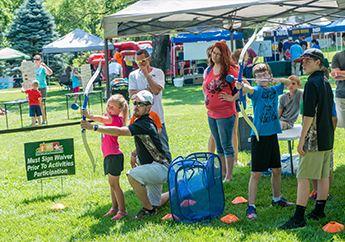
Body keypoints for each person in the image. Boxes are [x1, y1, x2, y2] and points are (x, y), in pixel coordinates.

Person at [81, 90, 170, 219]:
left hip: (159, 167)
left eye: (140, 104)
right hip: (155, 167)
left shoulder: (144, 122)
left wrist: (94, 127)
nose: (136, 106)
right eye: (135, 103)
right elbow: (147, 141)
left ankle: (148, 210)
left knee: (132, 175)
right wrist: (135, 153)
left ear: (148, 107)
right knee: (156, 203)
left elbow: (120, 131)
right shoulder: (143, 122)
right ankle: (175, 191)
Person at [279, 48, 334, 229]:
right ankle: (319, 211)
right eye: (302, 62)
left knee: (303, 177)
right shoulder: (325, 80)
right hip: (327, 137)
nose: (303, 64)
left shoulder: (311, 83)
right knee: (323, 175)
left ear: (319, 62)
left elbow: (309, 115)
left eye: (307, 61)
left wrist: (301, 139)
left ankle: (299, 218)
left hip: (314, 138)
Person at [235, 63, 294, 221]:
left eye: (264, 74)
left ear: (270, 76)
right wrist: (240, 86)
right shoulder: (258, 91)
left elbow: (289, 83)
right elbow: (249, 90)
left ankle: (276, 199)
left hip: (272, 134)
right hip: (259, 136)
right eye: (258, 76)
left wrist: (278, 80)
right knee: (256, 173)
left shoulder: (275, 89)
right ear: (255, 79)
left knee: (277, 170)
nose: (262, 78)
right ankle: (251, 206)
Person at [82, 94, 129, 220]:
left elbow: (102, 119)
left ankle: (122, 211)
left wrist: (89, 116)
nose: (108, 108)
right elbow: (104, 118)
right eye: (108, 106)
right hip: (110, 157)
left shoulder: (113, 119)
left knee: (115, 185)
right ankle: (114, 208)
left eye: (112, 107)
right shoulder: (114, 118)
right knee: (112, 184)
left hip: (114, 157)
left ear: (120, 110)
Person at [203, 41, 239, 183]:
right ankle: (223, 172)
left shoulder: (229, 70)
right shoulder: (208, 70)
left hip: (226, 114)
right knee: (218, 145)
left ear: (224, 55)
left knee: (226, 145)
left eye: (218, 54)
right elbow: (205, 86)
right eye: (213, 52)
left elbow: (245, 87)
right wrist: (206, 97)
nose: (215, 56)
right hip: (211, 113)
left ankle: (229, 176)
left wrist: (232, 98)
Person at [129, 49, 172, 163]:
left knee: (163, 148)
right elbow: (132, 95)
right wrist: (148, 90)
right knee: (143, 149)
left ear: (149, 59)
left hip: (157, 117)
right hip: (140, 119)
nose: (140, 64)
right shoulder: (133, 75)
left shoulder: (158, 73)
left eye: (143, 60)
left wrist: (146, 75)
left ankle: (169, 174)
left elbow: (156, 90)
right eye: (137, 62)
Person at [308, 67, 337, 201]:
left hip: (322, 137)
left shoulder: (326, 94)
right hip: (318, 135)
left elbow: (334, 118)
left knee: (325, 169)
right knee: (317, 168)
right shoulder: (321, 90)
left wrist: (330, 132)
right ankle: (316, 191)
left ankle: (325, 193)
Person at [331, 32, 345, 130]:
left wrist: (340, 73)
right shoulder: (337, 56)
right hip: (342, 95)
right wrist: (337, 74)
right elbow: (333, 74)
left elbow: (337, 74)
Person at [33, 54, 52, 125]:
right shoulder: (32, 68)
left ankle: (44, 120)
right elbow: (23, 71)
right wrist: (24, 64)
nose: (35, 61)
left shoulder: (42, 68)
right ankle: (35, 119)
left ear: (40, 60)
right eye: (34, 59)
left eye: (37, 59)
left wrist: (45, 66)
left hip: (42, 87)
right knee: (34, 104)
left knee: (41, 104)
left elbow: (50, 73)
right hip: (34, 88)